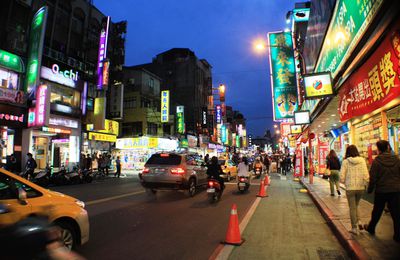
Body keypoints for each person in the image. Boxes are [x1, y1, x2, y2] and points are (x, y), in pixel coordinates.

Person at [365, 140, 400, 242]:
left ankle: (371, 228)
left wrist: (370, 189)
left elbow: (373, 178)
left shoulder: (377, 161)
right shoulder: (397, 160)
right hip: (395, 190)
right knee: (396, 213)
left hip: (382, 190)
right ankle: (398, 235)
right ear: (388, 147)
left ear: (378, 149)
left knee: (377, 211)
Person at [340, 145, 369, 235]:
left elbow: (342, 176)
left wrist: (344, 181)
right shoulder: (362, 161)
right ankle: (359, 221)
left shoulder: (345, 162)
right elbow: (366, 175)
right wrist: (365, 184)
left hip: (350, 188)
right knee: (356, 205)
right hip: (360, 188)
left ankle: (354, 228)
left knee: (352, 207)